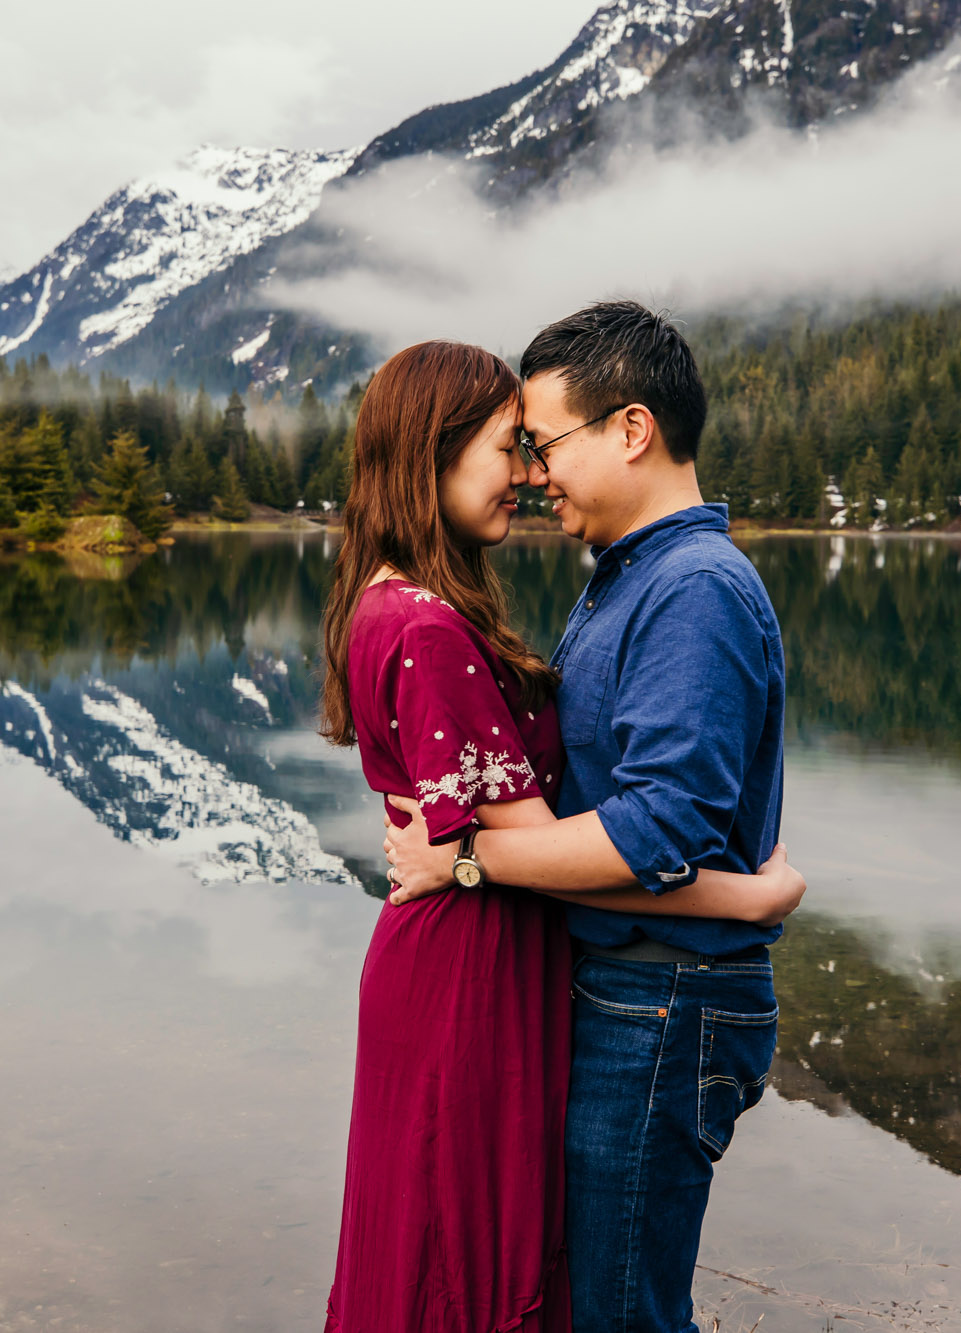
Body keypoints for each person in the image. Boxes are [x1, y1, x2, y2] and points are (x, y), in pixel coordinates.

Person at [320, 339, 804, 1333]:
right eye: (516, 448)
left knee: (610, 1311)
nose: (534, 476)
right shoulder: (615, 580)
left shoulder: (688, 587)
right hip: (608, 981)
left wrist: (463, 856)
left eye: (541, 444)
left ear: (632, 430)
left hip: (658, 991)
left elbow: (659, 826)